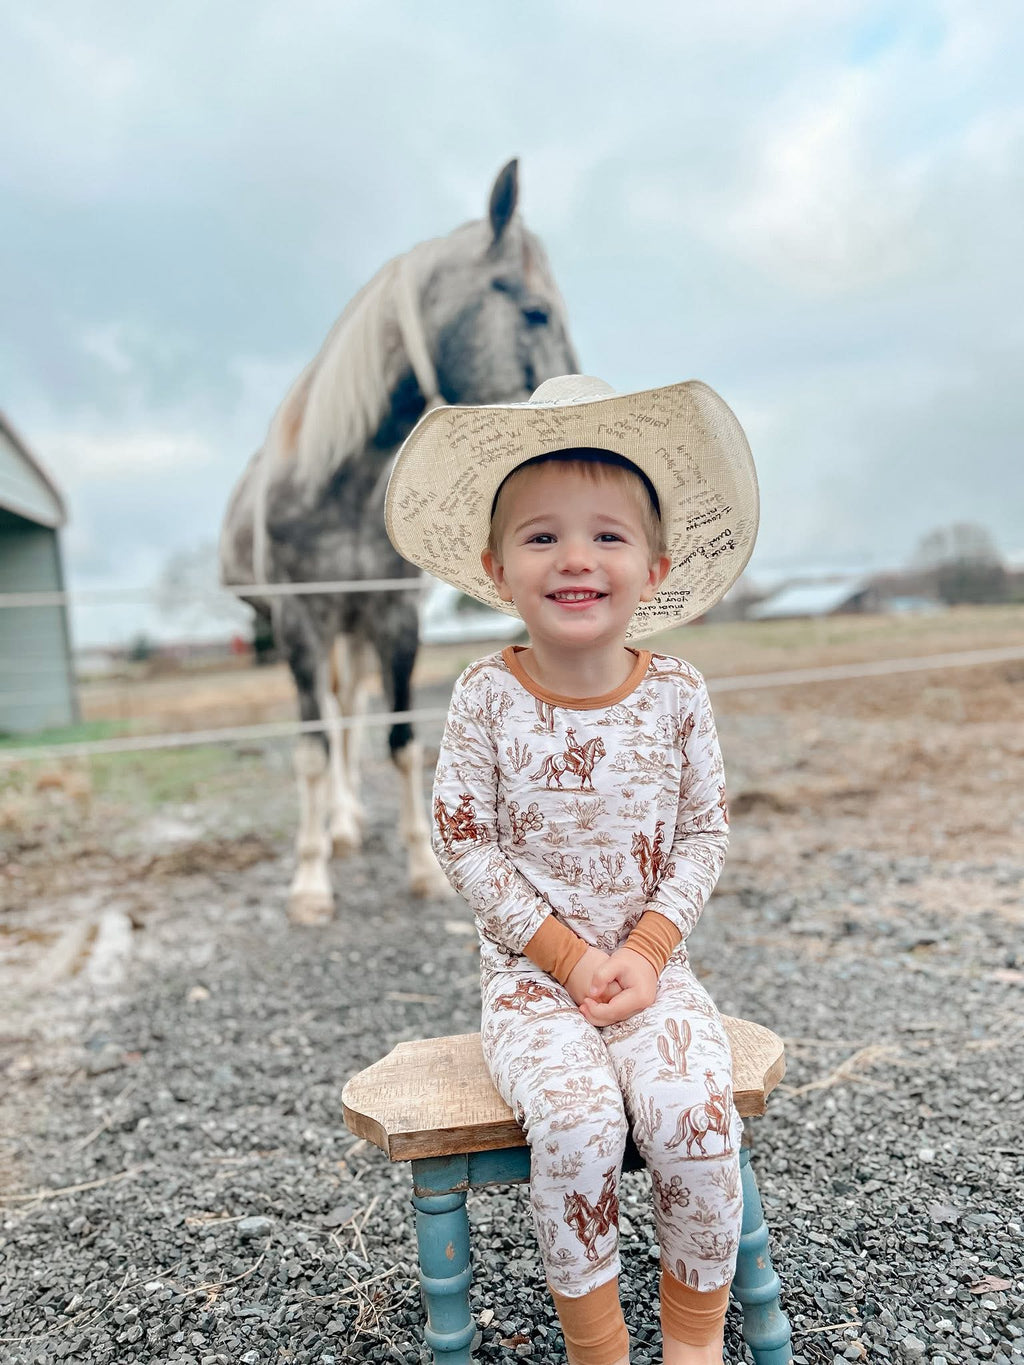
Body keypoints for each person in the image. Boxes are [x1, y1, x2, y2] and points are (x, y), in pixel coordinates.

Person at [385, 375, 759, 1365]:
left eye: (606, 535)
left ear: (654, 565)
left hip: (654, 973)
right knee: (582, 1121)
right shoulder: (486, 698)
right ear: (497, 567)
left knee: (689, 1112)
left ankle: (693, 1343)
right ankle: (598, 1350)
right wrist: (558, 954)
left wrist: (644, 952)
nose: (576, 558)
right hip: (529, 988)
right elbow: (465, 841)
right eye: (542, 536)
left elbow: (701, 836)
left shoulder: (676, 694)